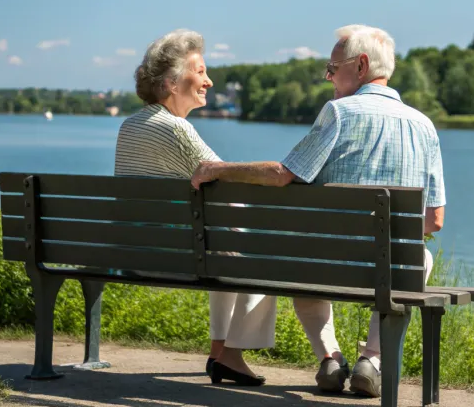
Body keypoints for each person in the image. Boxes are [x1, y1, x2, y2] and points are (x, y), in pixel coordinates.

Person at [191, 24, 445, 398]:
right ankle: (372, 360)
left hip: (325, 264)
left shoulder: (339, 112)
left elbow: (284, 175)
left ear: (360, 65)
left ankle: (329, 358)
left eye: (332, 67)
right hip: (393, 267)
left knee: (306, 256)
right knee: (416, 259)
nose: (328, 77)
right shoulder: (424, 126)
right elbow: (434, 220)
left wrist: (216, 169)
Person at [114, 28, 277, 386]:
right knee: (261, 255)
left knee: (226, 241)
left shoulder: (130, 126)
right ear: (172, 83)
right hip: (178, 260)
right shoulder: (176, 130)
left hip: (135, 255)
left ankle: (220, 352)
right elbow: (226, 178)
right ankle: (231, 355)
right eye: (200, 71)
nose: (209, 80)